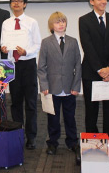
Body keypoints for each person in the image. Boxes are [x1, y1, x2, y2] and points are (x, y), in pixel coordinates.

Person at [78, 0, 109, 156]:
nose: (103, 1)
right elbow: (87, 46)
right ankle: (92, 142)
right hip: (91, 71)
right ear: (91, 2)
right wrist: (99, 69)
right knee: (91, 109)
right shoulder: (84, 20)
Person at [1, 0, 41, 149]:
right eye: (13, 1)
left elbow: (37, 44)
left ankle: (31, 137)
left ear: (25, 4)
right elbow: (4, 42)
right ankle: (18, 133)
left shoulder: (32, 22)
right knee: (15, 102)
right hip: (13, 65)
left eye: (19, 1)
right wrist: (4, 47)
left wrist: (27, 52)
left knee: (30, 103)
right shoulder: (6, 23)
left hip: (28, 64)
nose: (16, 3)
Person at [37, 12, 81, 156]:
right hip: (52, 87)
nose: (61, 24)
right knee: (53, 118)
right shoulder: (46, 42)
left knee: (70, 117)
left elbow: (78, 65)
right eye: (57, 22)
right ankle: (53, 143)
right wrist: (44, 85)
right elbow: (41, 66)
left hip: (69, 87)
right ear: (52, 25)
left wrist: (76, 86)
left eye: (63, 21)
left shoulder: (73, 41)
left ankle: (72, 142)